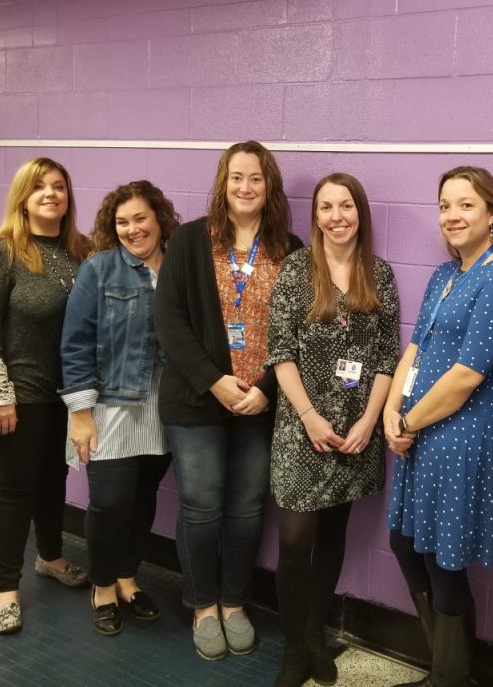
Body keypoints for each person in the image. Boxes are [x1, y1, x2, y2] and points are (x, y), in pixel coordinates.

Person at [154, 141, 301, 661]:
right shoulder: (191, 240)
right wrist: (214, 381)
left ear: (269, 186)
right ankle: (201, 604)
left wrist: (265, 390)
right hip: (197, 400)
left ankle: (235, 602)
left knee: (244, 508)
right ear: (223, 183)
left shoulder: (290, 247)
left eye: (256, 178)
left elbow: (299, 331)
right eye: (236, 177)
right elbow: (169, 320)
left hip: (261, 405)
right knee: (201, 506)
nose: (245, 187)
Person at [383, 166, 493, 687]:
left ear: (491, 213)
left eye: (466, 205)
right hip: (420, 435)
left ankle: (449, 677)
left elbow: (466, 375)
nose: (453, 215)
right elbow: (415, 349)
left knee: (445, 561)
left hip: (460, 440)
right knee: (405, 542)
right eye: (446, 205)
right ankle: (448, 667)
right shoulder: (446, 275)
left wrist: (409, 422)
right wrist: (390, 412)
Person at [267, 173, 401, 687]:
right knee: (296, 541)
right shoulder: (297, 270)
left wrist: (369, 419)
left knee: (331, 538)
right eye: (327, 207)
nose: (337, 216)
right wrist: (309, 416)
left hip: (355, 434)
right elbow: (280, 352)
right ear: (316, 215)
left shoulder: (379, 274)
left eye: (346, 206)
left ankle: (315, 638)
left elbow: (387, 354)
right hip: (303, 428)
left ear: (360, 213)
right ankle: (293, 649)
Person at [0, 157, 90, 634]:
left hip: (68, 396)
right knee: (18, 490)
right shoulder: (1, 254)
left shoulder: (80, 250)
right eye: (39, 187)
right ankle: (5, 590)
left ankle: (51, 557)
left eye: (59, 187)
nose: (50, 194)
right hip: (15, 396)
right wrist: (0, 396)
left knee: (53, 480)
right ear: (23, 197)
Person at [60, 181, 180, 636]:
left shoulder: (180, 268)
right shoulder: (99, 269)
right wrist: (80, 411)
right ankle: (104, 585)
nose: (132, 229)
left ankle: (129, 579)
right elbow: (74, 343)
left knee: (142, 497)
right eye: (122, 222)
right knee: (110, 502)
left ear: (159, 218)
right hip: (109, 403)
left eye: (140, 219)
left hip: (164, 404)